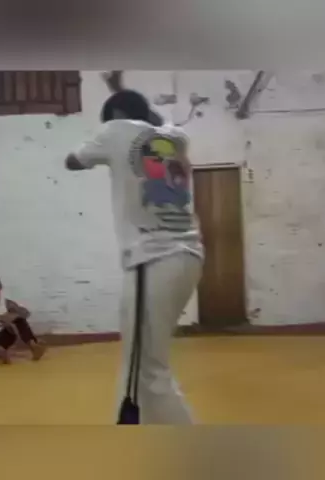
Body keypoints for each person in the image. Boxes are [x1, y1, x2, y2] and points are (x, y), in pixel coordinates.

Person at [65, 73, 204, 424]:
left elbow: (73, 160)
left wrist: (109, 127)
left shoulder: (115, 131)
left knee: (148, 369)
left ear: (114, 116)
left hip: (152, 259)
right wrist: (120, 92)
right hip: (187, 256)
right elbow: (150, 121)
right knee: (139, 361)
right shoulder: (175, 136)